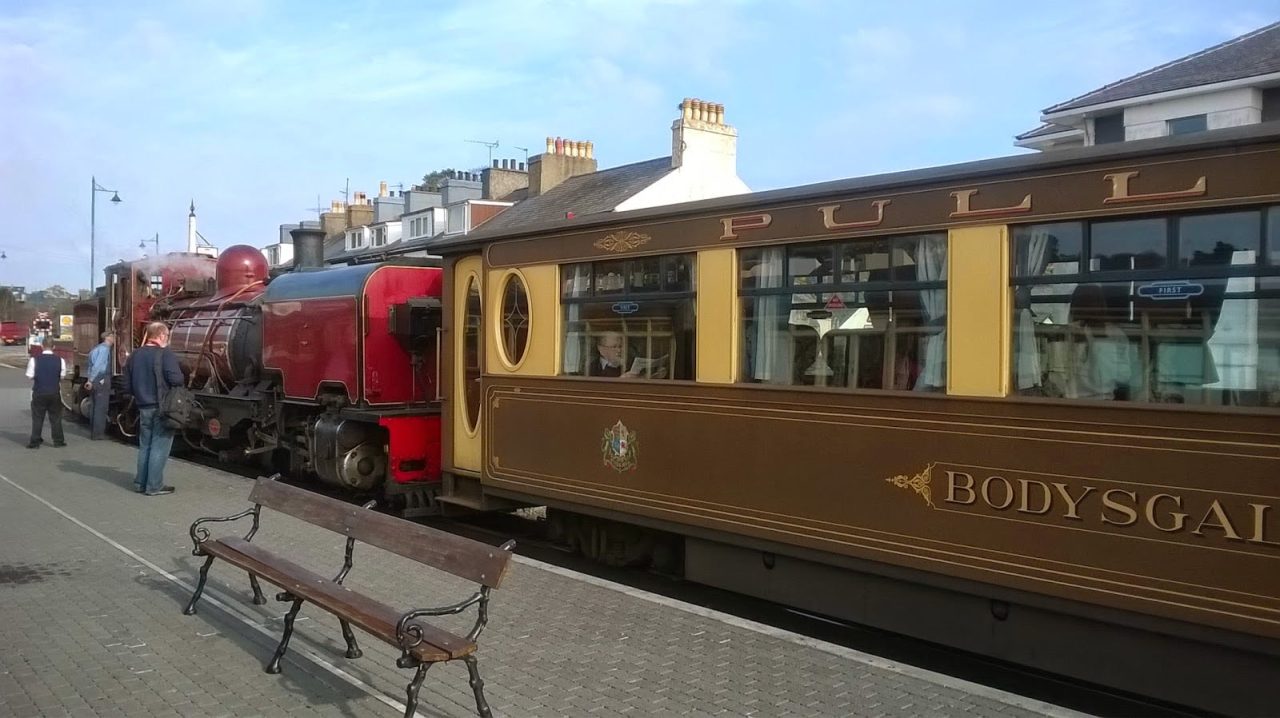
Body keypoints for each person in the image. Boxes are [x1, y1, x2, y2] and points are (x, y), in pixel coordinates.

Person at [122, 321, 183, 496]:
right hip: (162, 407)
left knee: (145, 446)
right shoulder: (165, 354)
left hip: (142, 406)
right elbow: (176, 380)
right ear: (162, 335)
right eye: (167, 336)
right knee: (159, 446)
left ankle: (140, 482)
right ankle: (154, 486)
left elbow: (126, 385)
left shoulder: (135, 355)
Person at [25, 335, 67, 449]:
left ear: (42, 346)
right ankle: (58, 441)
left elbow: (29, 376)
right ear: (54, 346)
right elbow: (62, 376)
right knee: (56, 418)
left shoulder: (34, 360)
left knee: (38, 417)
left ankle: (35, 442)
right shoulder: (60, 360)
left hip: (39, 392)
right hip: (54, 392)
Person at [85, 331, 115, 440]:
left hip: (95, 379)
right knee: (101, 407)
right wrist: (92, 380)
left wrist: (89, 380)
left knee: (94, 406)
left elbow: (90, 367)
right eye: (113, 336)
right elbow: (97, 366)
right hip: (102, 378)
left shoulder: (96, 349)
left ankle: (94, 431)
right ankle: (98, 434)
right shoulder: (105, 350)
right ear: (108, 337)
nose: (114, 339)